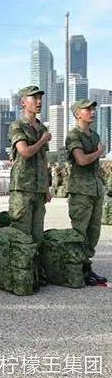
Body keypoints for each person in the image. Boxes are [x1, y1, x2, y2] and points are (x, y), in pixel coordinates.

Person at [8, 85, 51, 287]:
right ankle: (18, 276)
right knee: (21, 234)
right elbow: (24, 152)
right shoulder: (17, 126)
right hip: (22, 188)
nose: (39, 101)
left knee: (37, 234)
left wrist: (47, 186)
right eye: (34, 98)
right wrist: (42, 140)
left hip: (38, 187)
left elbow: (43, 159)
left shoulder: (42, 128)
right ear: (23, 102)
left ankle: (33, 273)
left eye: (40, 97)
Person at [65, 99, 108, 286]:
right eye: (87, 109)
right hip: (81, 191)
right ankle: (77, 269)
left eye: (93, 109)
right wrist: (99, 152)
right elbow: (81, 160)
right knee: (80, 232)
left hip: (95, 189)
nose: (92, 112)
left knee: (93, 232)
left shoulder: (94, 135)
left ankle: (87, 267)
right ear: (77, 114)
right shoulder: (74, 135)